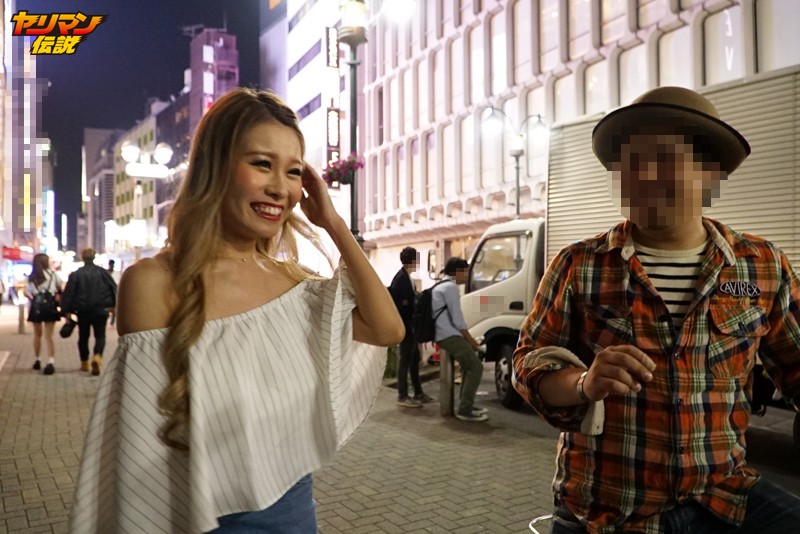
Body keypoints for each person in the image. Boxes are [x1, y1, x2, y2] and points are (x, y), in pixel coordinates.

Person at [68, 88, 405, 534]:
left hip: (295, 515)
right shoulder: (153, 282)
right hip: (200, 521)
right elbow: (139, 455)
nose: (280, 188)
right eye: (262, 164)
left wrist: (334, 224)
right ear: (215, 167)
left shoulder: (296, 284)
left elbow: (387, 329)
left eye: (293, 172)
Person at [512, 86, 800, 533]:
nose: (645, 175)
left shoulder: (762, 266)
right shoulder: (579, 265)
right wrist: (584, 382)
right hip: (606, 509)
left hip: (722, 498)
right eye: (631, 163)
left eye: (665, 160)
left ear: (709, 173)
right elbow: (528, 363)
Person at [433, 257, 487, 422]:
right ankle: (465, 409)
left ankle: (466, 404)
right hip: (448, 335)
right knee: (475, 367)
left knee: (468, 367)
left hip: (444, 334)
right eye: (465, 271)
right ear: (456, 272)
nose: (466, 275)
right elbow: (458, 320)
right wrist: (472, 342)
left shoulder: (440, 285)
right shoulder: (450, 288)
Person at [389, 246, 435, 408]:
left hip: (410, 327)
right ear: (413, 261)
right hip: (406, 327)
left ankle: (418, 392)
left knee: (414, 360)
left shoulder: (406, 277)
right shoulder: (401, 279)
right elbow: (402, 305)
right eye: (417, 260)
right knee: (405, 360)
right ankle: (402, 395)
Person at [60, 248, 117, 376]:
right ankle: (97, 356)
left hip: (82, 311)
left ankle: (84, 362)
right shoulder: (103, 273)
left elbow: (68, 294)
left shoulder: (76, 274)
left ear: (82, 258)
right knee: (100, 335)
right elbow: (113, 288)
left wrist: (66, 311)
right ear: (94, 257)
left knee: (83, 337)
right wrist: (114, 305)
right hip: (101, 309)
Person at [25, 253, 64, 375]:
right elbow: (61, 287)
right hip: (50, 306)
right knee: (49, 336)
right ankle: (50, 361)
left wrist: (33, 297)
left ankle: (37, 360)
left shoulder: (31, 277)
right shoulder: (53, 274)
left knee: (37, 335)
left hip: (36, 307)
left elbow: (26, 292)